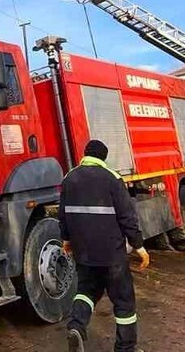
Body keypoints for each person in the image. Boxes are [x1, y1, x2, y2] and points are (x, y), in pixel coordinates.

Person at [59, 140, 148, 352]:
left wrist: (66, 239)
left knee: (86, 291)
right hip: (112, 255)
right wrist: (139, 246)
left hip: (83, 252)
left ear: (85, 154)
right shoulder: (112, 178)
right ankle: (125, 348)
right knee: (124, 301)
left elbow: (63, 213)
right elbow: (127, 216)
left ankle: (76, 326)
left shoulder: (69, 178)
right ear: (103, 157)